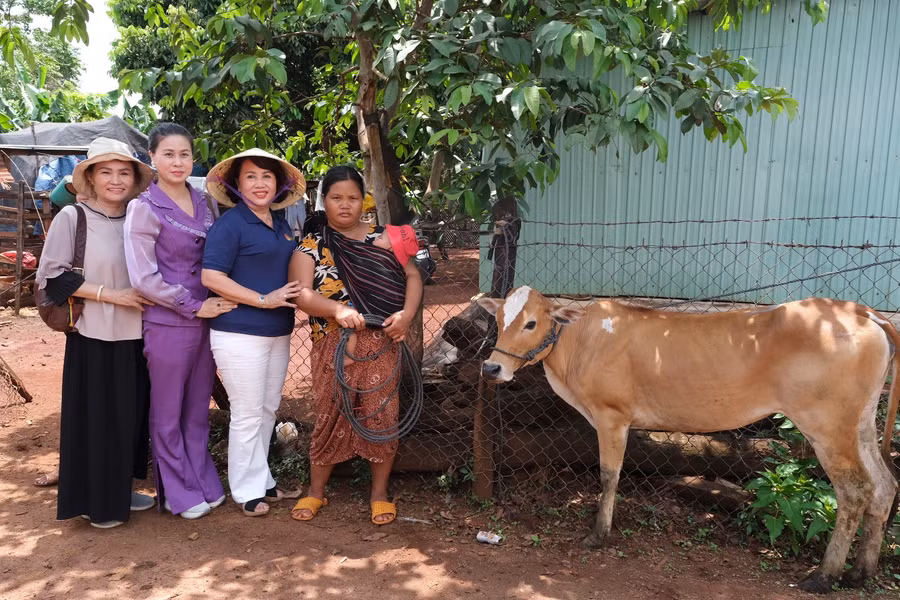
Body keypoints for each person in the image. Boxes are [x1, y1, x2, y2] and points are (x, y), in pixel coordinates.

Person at [289, 166, 423, 525]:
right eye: (336, 198)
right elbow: (301, 294)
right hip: (331, 343)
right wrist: (336, 309)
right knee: (330, 413)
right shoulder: (310, 246)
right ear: (325, 201)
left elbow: (413, 275)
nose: (344, 205)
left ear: (363, 200)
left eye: (352, 197)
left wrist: (407, 315)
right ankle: (316, 492)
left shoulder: (386, 238)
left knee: (382, 414)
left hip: (381, 341)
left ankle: (379, 494)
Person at [35, 137, 156, 529]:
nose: (116, 180)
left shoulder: (140, 217)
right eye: (106, 172)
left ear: (135, 178)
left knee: (129, 416)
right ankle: (95, 502)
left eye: (124, 172)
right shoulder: (74, 218)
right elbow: (52, 275)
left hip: (138, 334)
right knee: (97, 419)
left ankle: (119, 489)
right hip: (93, 334)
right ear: (90, 177)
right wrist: (113, 295)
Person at [123, 123, 237, 520]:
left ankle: (202, 479)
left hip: (209, 320)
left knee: (195, 409)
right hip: (169, 321)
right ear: (151, 158)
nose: (177, 161)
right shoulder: (145, 208)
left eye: (184, 154)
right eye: (168, 154)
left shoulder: (205, 202)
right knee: (167, 411)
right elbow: (143, 277)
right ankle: (175, 492)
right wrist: (192, 305)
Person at [201, 148, 306, 517]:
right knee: (247, 412)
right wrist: (263, 299)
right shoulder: (230, 225)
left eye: (267, 176)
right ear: (236, 184)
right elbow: (211, 277)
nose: (259, 183)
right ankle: (245, 490)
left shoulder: (279, 224)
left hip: (277, 331)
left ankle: (262, 481)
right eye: (250, 176)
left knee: (266, 410)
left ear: (279, 184)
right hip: (240, 332)